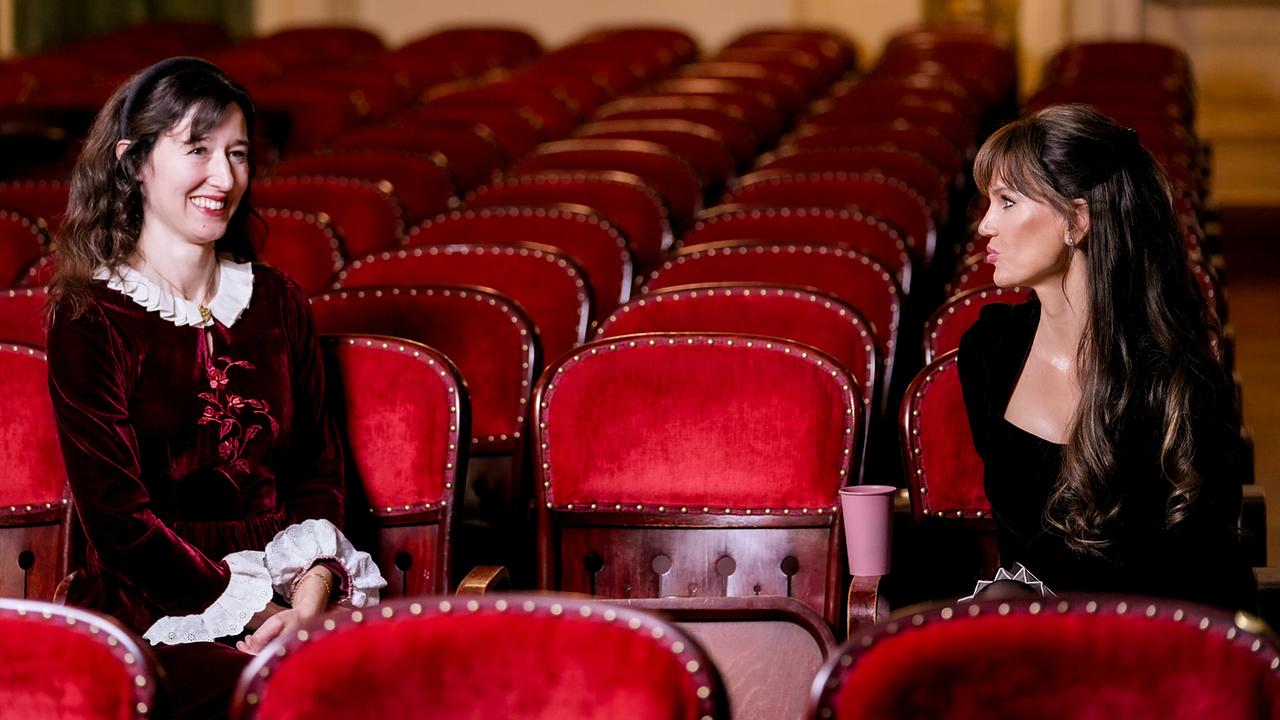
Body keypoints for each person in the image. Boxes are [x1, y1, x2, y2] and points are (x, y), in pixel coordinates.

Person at [46, 57, 385, 718]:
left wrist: (310, 595)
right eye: (197, 149)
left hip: (296, 592)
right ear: (133, 161)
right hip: (156, 602)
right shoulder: (90, 316)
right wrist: (256, 610)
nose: (224, 178)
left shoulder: (279, 300)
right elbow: (117, 523)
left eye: (238, 153)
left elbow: (318, 474)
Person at [958, 103, 1253, 610]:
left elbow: (1206, 574)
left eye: (1007, 201)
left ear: (1077, 220)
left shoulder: (1176, 378)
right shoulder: (989, 350)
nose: (985, 226)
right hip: (1034, 629)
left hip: (1152, 635)